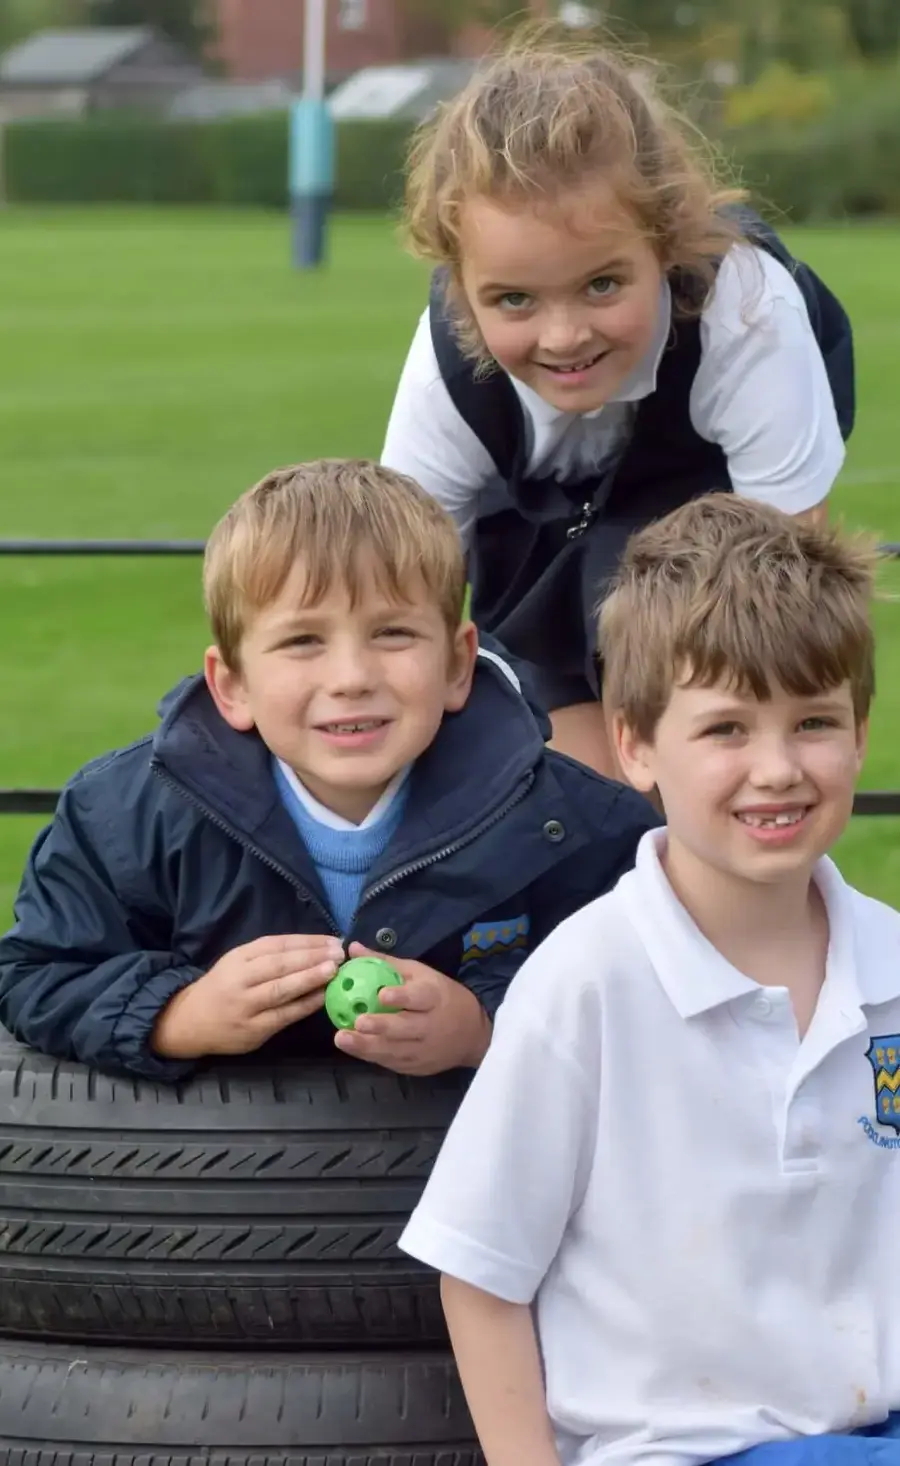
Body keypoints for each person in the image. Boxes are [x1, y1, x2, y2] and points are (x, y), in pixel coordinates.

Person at [399, 495, 900, 1466]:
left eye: (813, 721)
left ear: (861, 732)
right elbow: (481, 1271)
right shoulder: (586, 984)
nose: (777, 768)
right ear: (633, 744)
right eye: (725, 730)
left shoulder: (890, 964)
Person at [0, 459, 658, 1084]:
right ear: (231, 686)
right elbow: (38, 971)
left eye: (393, 634)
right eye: (302, 642)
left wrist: (486, 1029)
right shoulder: (121, 819)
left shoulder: (575, 827)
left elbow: (648, 998)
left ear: (460, 664)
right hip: (229, 1189)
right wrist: (178, 1014)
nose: (351, 679)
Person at [381, 27, 854, 777]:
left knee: (701, 795)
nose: (564, 336)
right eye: (513, 300)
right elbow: (396, 609)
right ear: (461, 288)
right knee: (585, 818)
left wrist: (758, 769)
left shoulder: (748, 311)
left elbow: (790, 605)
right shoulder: (448, 372)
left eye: (603, 284)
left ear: (664, 244)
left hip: (723, 537)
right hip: (539, 545)